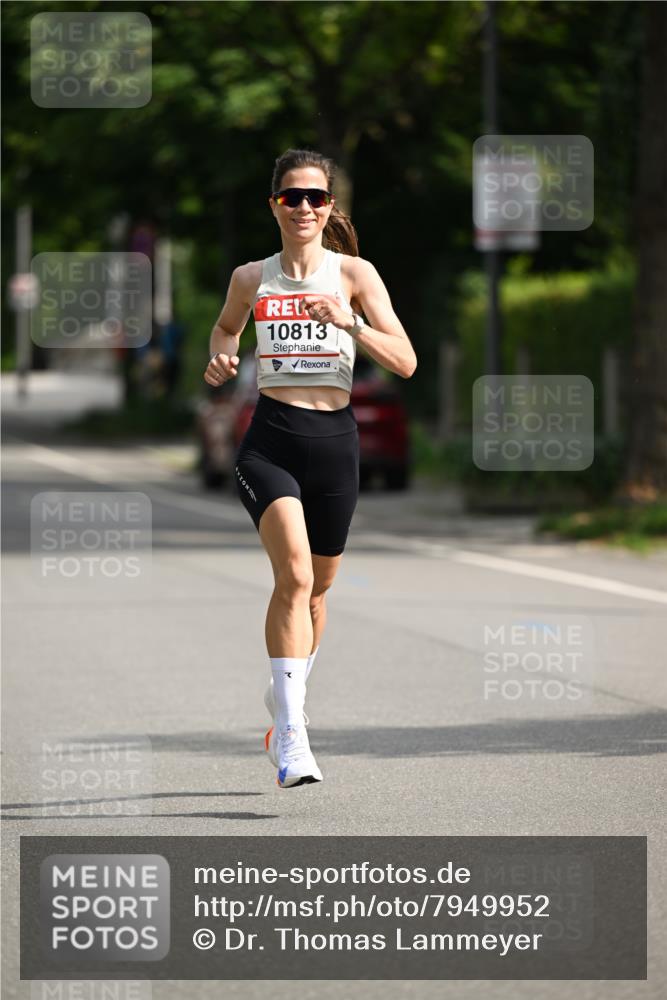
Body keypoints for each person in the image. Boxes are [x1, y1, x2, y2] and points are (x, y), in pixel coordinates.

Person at [204, 148, 417, 788]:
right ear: (274, 205)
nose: (303, 207)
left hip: (335, 444)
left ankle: (284, 699)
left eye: (315, 198)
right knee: (294, 575)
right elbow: (225, 329)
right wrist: (222, 358)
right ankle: (293, 735)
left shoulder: (354, 275)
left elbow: (406, 361)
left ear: (329, 208)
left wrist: (349, 322)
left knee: (318, 591)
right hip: (270, 442)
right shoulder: (251, 278)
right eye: (291, 196)